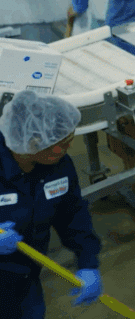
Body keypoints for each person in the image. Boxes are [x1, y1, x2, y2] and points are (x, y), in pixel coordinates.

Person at [0, 91, 104, 318]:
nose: (70, 146)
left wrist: (88, 262)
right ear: (34, 143)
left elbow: (72, 212)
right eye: (64, 143)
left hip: (25, 274)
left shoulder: (59, 165)